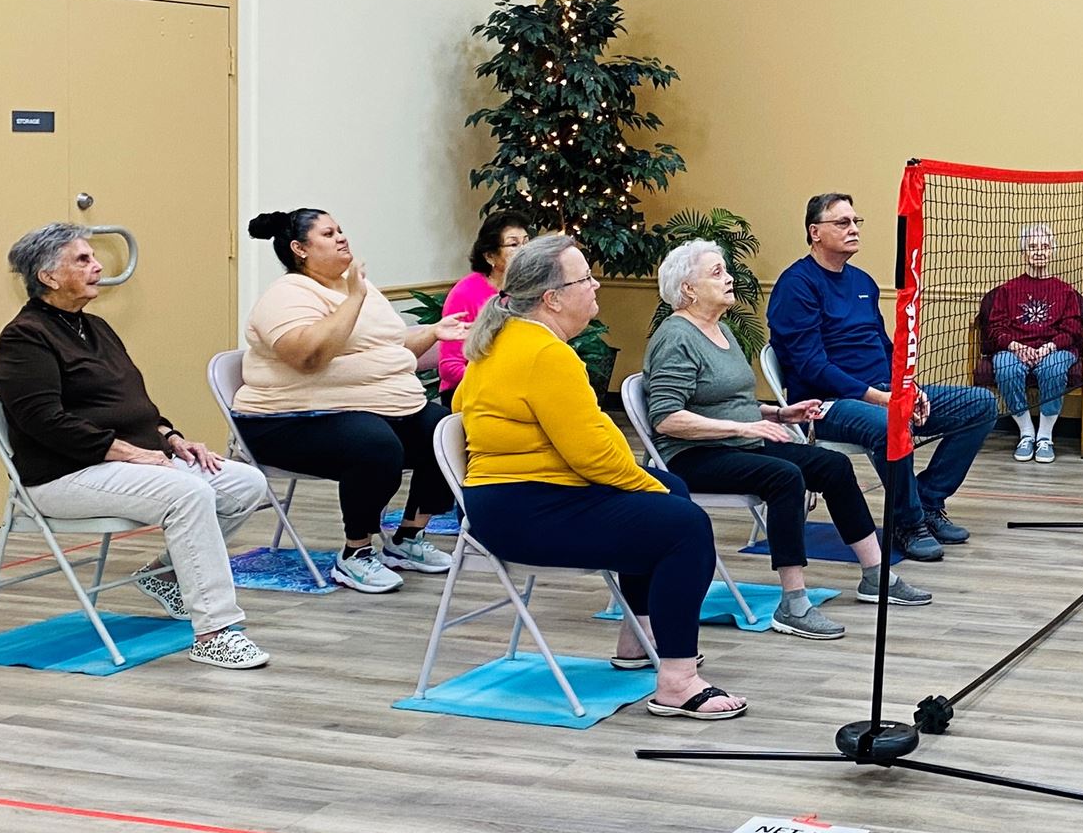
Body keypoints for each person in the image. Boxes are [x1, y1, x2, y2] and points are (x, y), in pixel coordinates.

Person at [454, 235, 742, 718]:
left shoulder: (501, 341)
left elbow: (465, 409)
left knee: (667, 494)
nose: (595, 285)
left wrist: (653, 487)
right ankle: (678, 681)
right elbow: (594, 458)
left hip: (501, 504)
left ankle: (639, 638)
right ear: (552, 298)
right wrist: (653, 489)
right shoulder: (547, 355)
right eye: (584, 278)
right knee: (683, 523)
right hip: (524, 513)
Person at [0, 224, 272, 671]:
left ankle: (165, 575)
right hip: (62, 475)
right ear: (48, 276)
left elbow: (134, 404)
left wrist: (171, 439)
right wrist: (127, 452)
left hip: (119, 461)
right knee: (189, 494)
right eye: (82, 260)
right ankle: (215, 632)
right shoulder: (24, 337)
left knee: (244, 484)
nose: (98, 266)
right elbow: (44, 422)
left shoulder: (94, 326)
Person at [645, 237, 896, 639]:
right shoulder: (676, 337)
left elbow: (729, 402)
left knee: (832, 465)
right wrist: (744, 428)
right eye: (717, 273)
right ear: (688, 289)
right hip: (691, 456)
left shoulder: (721, 330)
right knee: (784, 477)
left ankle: (876, 575)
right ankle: (793, 603)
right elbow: (667, 418)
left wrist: (779, 413)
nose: (730, 279)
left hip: (736, 442)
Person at [231, 208, 471, 593]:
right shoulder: (287, 295)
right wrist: (354, 297)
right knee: (374, 444)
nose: (342, 237)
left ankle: (408, 538)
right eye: (328, 233)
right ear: (300, 249)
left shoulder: (355, 287)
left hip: (360, 408)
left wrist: (434, 331)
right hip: (283, 420)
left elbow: (387, 343)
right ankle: (355, 554)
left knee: (444, 430)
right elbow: (308, 355)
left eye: (341, 230)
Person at [767, 190, 997, 581]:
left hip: (883, 391)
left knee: (980, 405)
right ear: (815, 232)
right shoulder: (796, 285)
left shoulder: (863, 283)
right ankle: (906, 523)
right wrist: (882, 399)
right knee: (886, 423)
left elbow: (887, 348)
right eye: (842, 223)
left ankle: (926, 502)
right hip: (825, 404)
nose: (854, 229)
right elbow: (811, 365)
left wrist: (909, 390)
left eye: (857, 222)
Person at [981, 223, 1083, 465]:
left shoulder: (1066, 292)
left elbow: (1073, 330)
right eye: (1032, 247)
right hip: (1015, 348)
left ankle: (1045, 436)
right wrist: (1016, 346)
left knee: (1053, 368)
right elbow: (995, 328)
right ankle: (1026, 432)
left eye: (1045, 246)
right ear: (1023, 253)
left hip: (1055, 349)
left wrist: (1048, 348)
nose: (1039, 251)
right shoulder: (1008, 290)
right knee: (1006, 368)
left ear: (1053, 252)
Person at [436, 211, 532, 397]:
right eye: (514, 244)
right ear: (490, 256)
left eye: (526, 242)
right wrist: (496, 383)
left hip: (517, 387)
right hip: (469, 390)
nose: (524, 251)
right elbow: (449, 367)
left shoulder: (529, 289)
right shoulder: (465, 293)